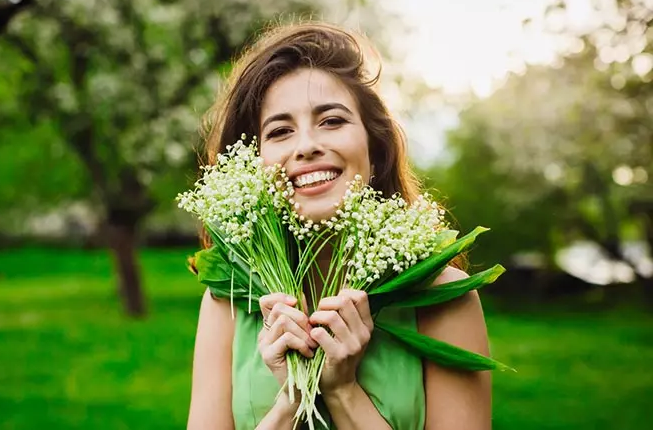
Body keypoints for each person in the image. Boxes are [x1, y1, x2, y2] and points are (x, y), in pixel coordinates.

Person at [187, 21, 491, 430]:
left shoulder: (442, 297)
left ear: (375, 147)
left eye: (331, 121)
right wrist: (292, 398)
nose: (307, 145)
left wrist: (343, 390)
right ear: (251, 163)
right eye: (280, 131)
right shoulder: (228, 300)